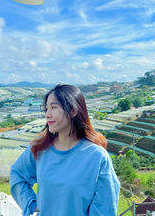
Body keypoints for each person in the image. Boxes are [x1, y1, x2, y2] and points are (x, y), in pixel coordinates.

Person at [10, 84, 120, 216]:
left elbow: (104, 209)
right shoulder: (39, 149)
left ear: (73, 110)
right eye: (46, 109)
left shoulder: (97, 156)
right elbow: (17, 174)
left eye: (54, 107)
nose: (47, 114)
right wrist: (30, 203)